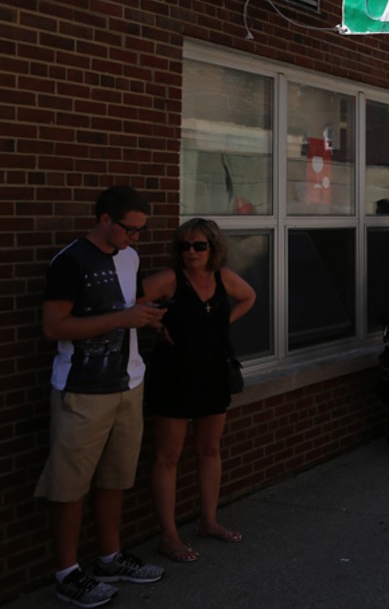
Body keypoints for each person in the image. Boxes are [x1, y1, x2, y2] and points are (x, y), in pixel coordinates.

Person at [37, 185, 167, 608]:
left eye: (141, 231)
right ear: (105, 220)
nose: (136, 238)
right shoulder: (70, 261)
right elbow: (54, 327)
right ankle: (67, 573)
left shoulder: (130, 257)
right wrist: (125, 317)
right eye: (130, 229)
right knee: (70, 485)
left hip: (128, 383)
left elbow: (122, 309)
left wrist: (143, 318)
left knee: (115, 477)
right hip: (82, 389)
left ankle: (109, 558)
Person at [142, 218, 257, 563]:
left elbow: (249, 296)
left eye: (198, 246)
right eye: (184, 246)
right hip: (174, 374)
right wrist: (158, 326)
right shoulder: (170, 279)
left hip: (213, 372)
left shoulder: (223, 278)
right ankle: (169, 535)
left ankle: (209, 521)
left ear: (213, 248)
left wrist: (219, 324)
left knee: (209, 449)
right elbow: (128, 303)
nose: (191, 252)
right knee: (169, 456)